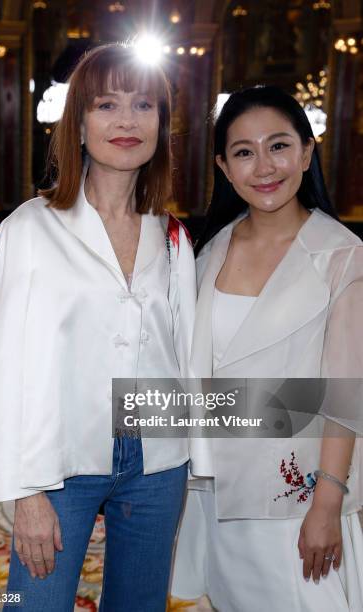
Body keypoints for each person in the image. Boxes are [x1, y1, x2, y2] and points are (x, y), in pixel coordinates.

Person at [0, 43, 196, 611]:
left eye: (143, 105)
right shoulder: (30, 230)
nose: (126, 121)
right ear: (78, 122)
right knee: (34, 603)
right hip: (56, 464)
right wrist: (24, 490)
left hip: (157, 461)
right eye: (106, 104)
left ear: (161, 124)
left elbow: (187, 361)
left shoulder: (173, 236)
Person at [171, 86, 363, 611]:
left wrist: (327, 501)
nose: (264, 166)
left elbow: (345, 397)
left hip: (296, 497)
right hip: (214, 487)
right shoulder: (208, 248)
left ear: (306, 151)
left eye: (278, 146)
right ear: (224, 167)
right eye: (243, 152)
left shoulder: (341, 256)